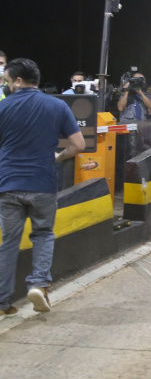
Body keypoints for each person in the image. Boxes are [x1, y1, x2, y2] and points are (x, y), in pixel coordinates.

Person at [0, 58, 85, 319]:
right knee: (43, 233)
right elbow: (78, 145)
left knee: (9, 242)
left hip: (9, 184)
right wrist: (58, 157)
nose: (5, 85)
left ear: (17, 80)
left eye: (6, 81)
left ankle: (3, 302)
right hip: (43, 183)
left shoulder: (3, 108)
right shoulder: (57, 106)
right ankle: (38, 285)